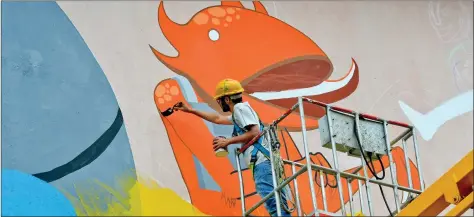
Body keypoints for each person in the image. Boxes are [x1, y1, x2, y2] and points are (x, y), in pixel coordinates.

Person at [174, 78, 291, 216]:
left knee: (272, 200)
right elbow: (217, 119)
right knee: (276, 200)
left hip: (262, 162)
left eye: (220, 100)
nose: (219, 103)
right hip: (264, 161)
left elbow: (254, 132)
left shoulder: (239, 108)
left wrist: (227, 142)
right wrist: (190, 110)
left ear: (227, 99)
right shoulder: (239, 112)